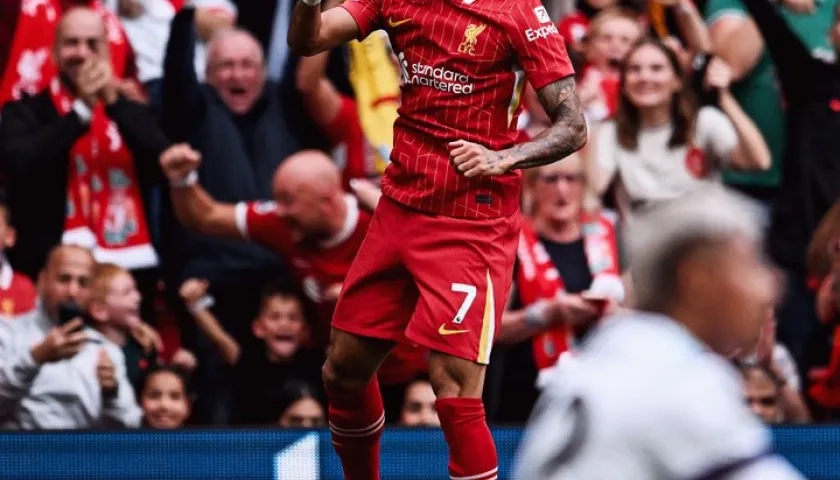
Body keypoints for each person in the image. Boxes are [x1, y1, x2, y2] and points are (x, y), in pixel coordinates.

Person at [287, 0, 587, 479]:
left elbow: (573, 126)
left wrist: (503, 159)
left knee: (452, 391)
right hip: (400, 206)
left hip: (471, 222)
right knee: (341, 372)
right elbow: (309, 39)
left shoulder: (520, 14)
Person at [512, 187, 805, 480]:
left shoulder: (609, 353)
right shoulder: (682, 379)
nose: (773, 284)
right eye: (752, 263)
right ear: (698, 279)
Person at [0, 245, 142, 429]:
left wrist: (111, 395)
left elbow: (131, 424)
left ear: (91, 291)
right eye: (64, 279)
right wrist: (34, 359)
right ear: (42, 281)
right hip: (21, 453)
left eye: (83, 283)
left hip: (84, 454)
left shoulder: (105, 350)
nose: (72, 291)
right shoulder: (7, 333)